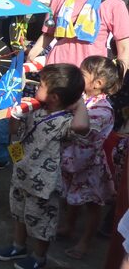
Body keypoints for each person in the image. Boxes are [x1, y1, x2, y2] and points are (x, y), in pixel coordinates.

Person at [0, 63, 90, 269]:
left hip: (43, 185)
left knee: (42, 221)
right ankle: (18, 246)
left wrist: (79, 102)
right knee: (19, 213)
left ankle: (39, 257)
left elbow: (82, 126)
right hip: (21, 173)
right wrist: (14, 116)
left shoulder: (65, 121)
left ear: (54, 97)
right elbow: (14, 131)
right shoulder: (35, 109)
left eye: (41, 85)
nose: (37, 86)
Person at [59, 56, 123, 260]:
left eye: (82, 74)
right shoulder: (83, 97)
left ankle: (85, 242)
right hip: (74, 160)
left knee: (92, 206)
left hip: (90, 167)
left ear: (98, 83)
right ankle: (69, 226)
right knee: (73, 198)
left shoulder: (103, 109)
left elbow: (83, 130)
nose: (77, 76)